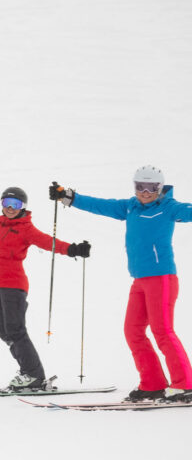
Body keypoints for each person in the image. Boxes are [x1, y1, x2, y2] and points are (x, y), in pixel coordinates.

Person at [51, 166, 192, 403]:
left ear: (160, 188)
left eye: (151, 188)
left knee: (163, 332)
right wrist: (69, 197)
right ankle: (153, 384)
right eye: (140, 187)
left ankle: (185, 385)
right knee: (133, 331)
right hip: (139, 280)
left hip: (162, 279)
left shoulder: (169, 208)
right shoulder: (130, 206)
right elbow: (100, 205)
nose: (145, 192)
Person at [0, 169, 89, 391]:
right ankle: (28, 372)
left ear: (22, 206)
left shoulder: (26, 229)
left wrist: (72, 249)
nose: (10, 207)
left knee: (15, 330)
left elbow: (48, 242)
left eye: (15, 203)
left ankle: (34, 375)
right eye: (6, 202)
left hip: (13, 286)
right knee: (2, 330)